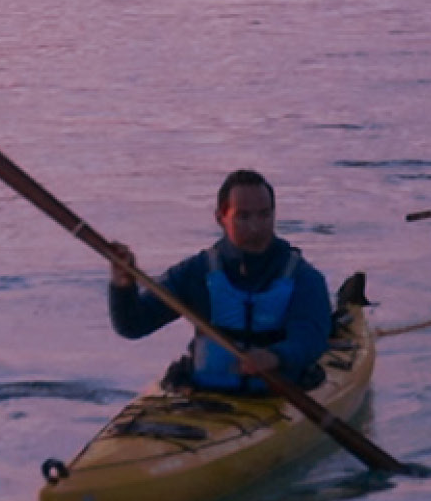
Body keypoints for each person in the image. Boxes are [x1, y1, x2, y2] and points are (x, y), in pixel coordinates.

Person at [108, 168, 334, 396]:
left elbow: (311, 337)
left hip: (276, 394)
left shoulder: (302, 276)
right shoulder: (196, 273)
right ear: (221, 218)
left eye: (264, 215)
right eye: (243, 217)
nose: (256, 227)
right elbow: (132, 326)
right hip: (204, 393)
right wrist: (123, 287)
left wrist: (276, 357)